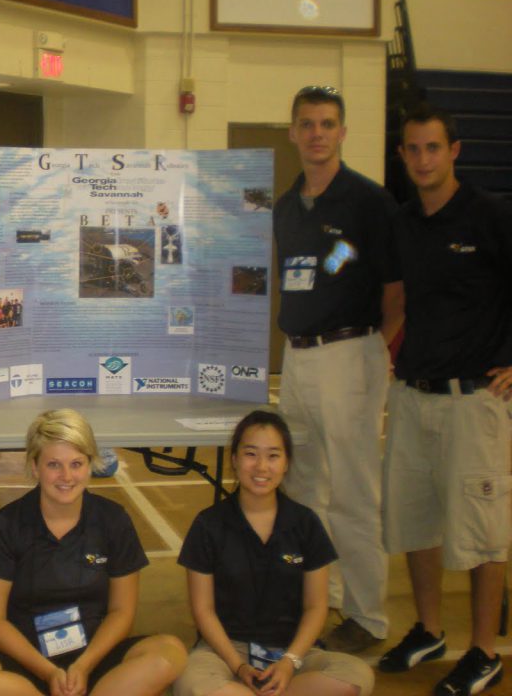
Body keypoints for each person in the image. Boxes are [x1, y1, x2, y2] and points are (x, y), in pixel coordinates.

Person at [378, 104, 509, 696]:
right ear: (402, 154)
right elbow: (397, 299)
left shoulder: (490, 215)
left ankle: (484, 651)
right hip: (412, 395)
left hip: (473, 400)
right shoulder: (403, 222)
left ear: (453, 150)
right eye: (412, 148)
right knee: (415, 522)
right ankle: (430, 631)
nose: (423, 159)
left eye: (433, 147)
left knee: (482, 531)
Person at [273, 85, 402, 653]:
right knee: (302, 487)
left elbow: (397, 290)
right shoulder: (286, 206)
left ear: (343, 132)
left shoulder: (369, 201)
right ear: (293, 132)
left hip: (351, 354)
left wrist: (375, 352)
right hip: (296, 358)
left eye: (327, 124)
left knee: (353, 492)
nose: (317, 133)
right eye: (307, 124)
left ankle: (367, 617)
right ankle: (319, 599)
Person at [0, 409, 186, 696]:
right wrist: (48, 672)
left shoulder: (113, 520)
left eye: (77, 464)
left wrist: (84, 666)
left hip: (93, 655)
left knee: (170, 652)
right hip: (26, 658)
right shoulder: (7, 525)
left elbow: (122, 611)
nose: (66, 476)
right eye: (54, 464)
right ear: (35, 466)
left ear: (90, 465)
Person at [174, 411, 375, 696]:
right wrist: (238, 666)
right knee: (195, 683)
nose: (261, 467)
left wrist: (289, 663)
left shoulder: (306, 524)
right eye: (251, 454)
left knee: (356, 677)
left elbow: (316, 607)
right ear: (235, 459)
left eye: (273, 456)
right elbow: (203, 610)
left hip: (291, 653)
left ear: (286, 463)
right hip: (225, 652)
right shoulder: (208, 524)